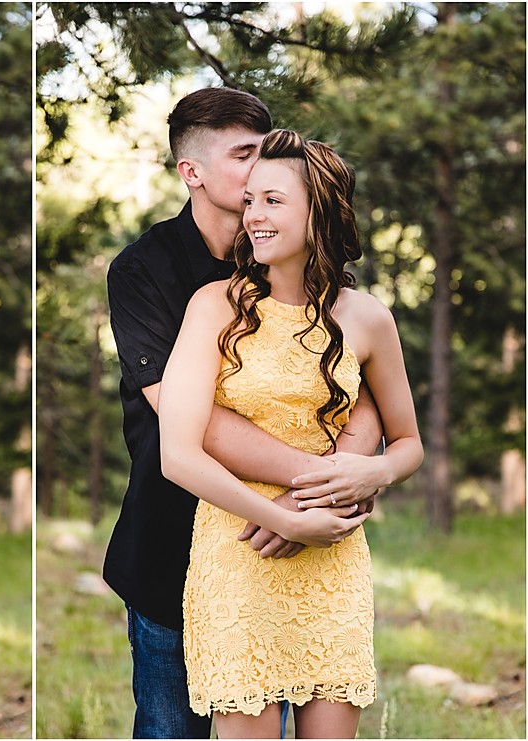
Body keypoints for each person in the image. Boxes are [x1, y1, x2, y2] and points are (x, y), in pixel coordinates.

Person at [104, 88, 393, 739]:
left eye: (270, 157)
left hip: (317, 541)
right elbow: (191, 421)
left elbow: (363, 386)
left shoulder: (302, 264)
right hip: (180, 536)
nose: (263, 172)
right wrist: (313, 493)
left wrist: (338, 487)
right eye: (245, 156)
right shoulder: (146, 272)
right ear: (193, 172)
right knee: (171, 725)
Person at [159, 129, 423, 738]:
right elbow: (179, 454)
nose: (252, 215)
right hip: (241, 550)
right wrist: (284, 519)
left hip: (333, 561)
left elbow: (408, 442)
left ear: (319, 209)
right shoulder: (212, 307)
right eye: (250, 200)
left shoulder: (367, 319)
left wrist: (376, 471)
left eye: (272, 201)